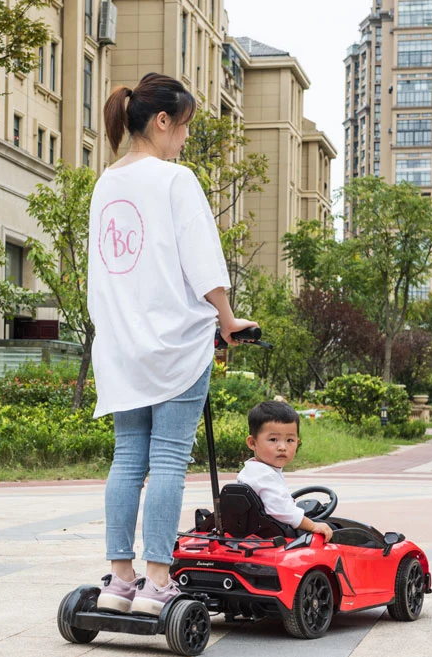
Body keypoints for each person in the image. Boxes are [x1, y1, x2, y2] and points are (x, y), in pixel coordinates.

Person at [88, 72, 257, 616]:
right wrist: (227, 318)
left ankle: (119, 579)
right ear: (161, 121)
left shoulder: (104, 183)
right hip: (174, 345)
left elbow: (104, 271)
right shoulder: (174, 179)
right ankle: (158, 580)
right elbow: (202, 258)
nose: (184, 140)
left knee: (127, 457)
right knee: (166, 460)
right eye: (183, 128)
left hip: (121, 346)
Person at [237, 401, 334, 542]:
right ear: (252, 443)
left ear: (297, 442)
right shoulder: (265, 476)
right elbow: (283, 512)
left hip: (262, 529)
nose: (282, 447)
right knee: (336, 530)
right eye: (273, 439)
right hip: (276, 535)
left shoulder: (250, 470)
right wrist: (313, 525)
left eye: (289, 440)